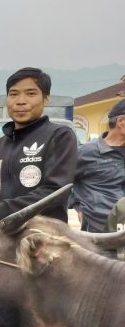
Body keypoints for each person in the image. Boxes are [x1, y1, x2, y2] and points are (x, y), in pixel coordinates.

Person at [0, 67, 77, 327]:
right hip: (1, 249)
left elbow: (55, 191)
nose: (21, 101)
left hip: (41, 248)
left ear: (46, 99)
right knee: (1, 326)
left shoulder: (59, 136)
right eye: (14, 94)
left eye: (30, 93)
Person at [68, 99, 125, 232]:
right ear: (121, 122)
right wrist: (77, 205)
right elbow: (62, 182)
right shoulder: (86, 152)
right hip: (98, 231)